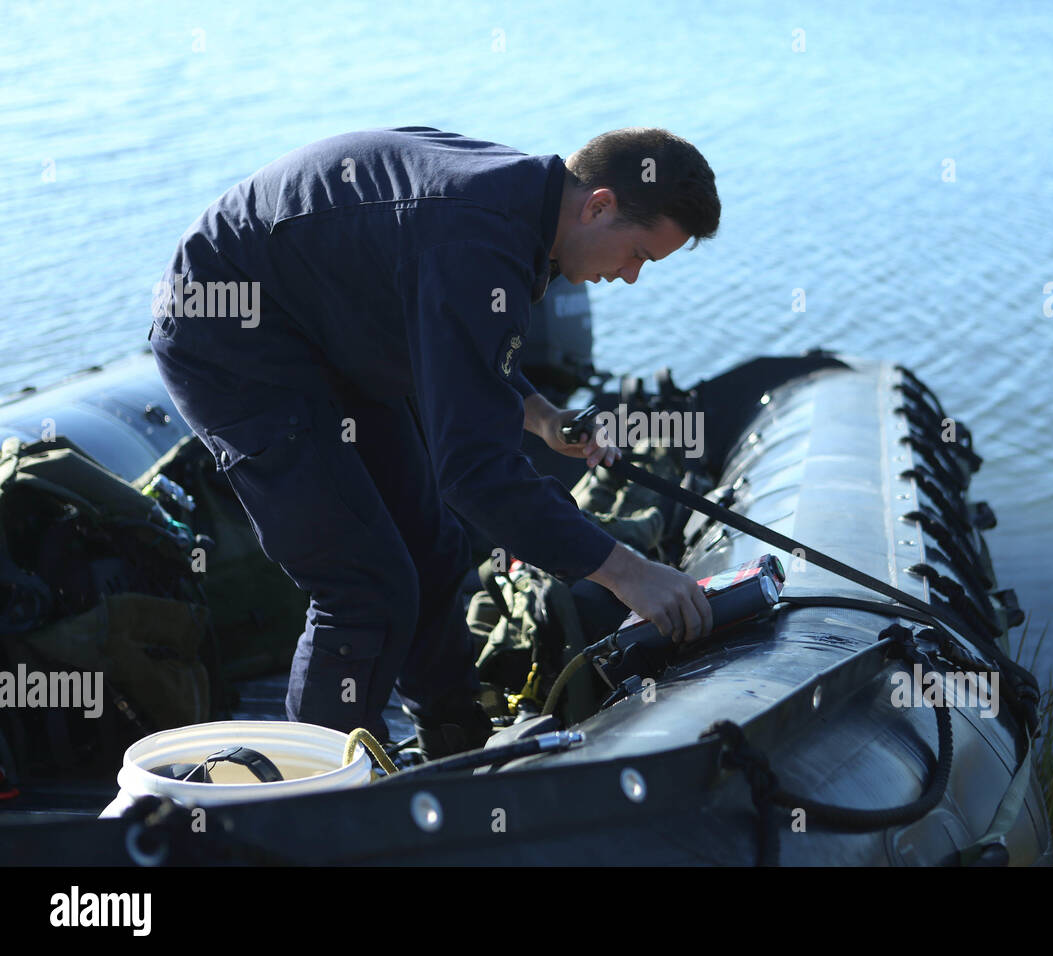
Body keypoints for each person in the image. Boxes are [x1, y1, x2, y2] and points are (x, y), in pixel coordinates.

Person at [148, 126, 719, 757]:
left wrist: (541, 416)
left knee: (434, 552)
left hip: (331, 334)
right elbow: (475, 474)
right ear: (600, 205)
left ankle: (454, 748)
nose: (633, 276)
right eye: (640, 253)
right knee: (365, 586)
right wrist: (628, 573)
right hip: (230, 334)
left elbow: (458, 339)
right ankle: (305, 798)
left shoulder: (522, 207)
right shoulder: (478, 236)